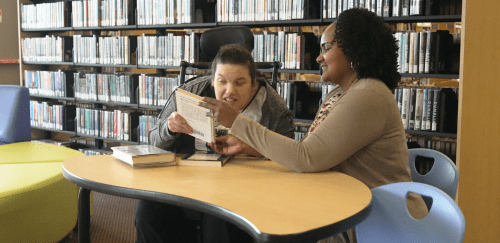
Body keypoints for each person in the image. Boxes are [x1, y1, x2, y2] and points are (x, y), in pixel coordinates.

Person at [199, 8, 428, 243]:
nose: (318, 58)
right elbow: (311, 150)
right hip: (348, 210)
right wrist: (247, 146)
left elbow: (304, 157)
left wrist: (236, 122)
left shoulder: (369, 94)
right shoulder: (341, 93)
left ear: (353, 50)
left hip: (377, 222)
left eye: (326, 48)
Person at [136, 44, 295, 243]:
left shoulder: (274, 109)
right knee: (148, 211)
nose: (229, 91)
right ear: (212, 81)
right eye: (222, 82)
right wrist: (170, 129)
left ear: (254, 84)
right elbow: (153, 140)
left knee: (220, 216)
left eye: (240, 83)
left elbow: (291, 157)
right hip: (187, 180)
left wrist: (250, 147)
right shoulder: (190, 92)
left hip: (246, 186)